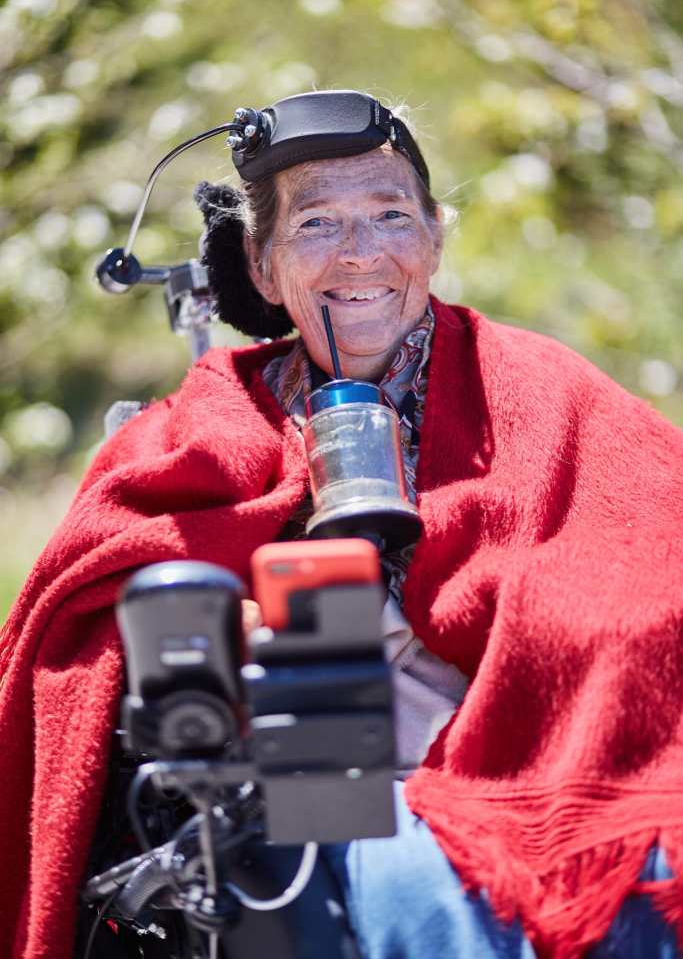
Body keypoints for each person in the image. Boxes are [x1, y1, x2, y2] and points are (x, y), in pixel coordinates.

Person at [1, 89, 683, 959]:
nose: (359, 255)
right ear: (259, 266)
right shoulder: (182, 437)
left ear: (434, 237)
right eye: (315, 224)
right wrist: (221, 631)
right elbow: (76, 644)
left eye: (391, 215)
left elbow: (647, 594)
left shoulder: (548, 394)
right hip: (294, 800)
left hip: (523, 780)